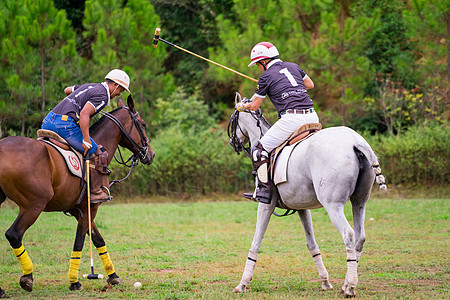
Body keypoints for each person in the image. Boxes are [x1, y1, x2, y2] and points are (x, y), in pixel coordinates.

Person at [235, 42, 319, 204]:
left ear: (264, 61)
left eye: (258, 65)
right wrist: (283, 86)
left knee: (259, 150)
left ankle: (264, 191)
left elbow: (254, 106)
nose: (258, 68)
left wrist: (241, 106)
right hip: (312, 116)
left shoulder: (266, 76)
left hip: (292, 120)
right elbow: (310, 84)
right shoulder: (293, 67)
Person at [41, 69, 131, 201]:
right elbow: (84, 115)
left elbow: (67, 90)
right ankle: (95, 191)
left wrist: (71, 104)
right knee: (99, 154)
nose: (118, 94)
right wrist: (86, 140)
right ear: (115, 85)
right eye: (120, 90)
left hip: (48, 121)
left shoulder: (90, 86)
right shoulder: (103, 95)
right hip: (64, 125)